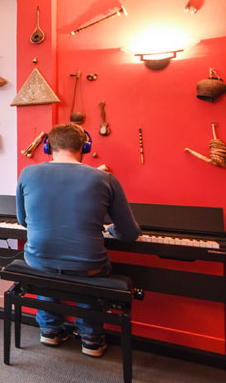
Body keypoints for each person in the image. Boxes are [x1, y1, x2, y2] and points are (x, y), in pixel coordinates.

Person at [16, 123, 140, 357]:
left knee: (45, 261)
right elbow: (130, 233)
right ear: (85, 146)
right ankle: (91, 338)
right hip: (88, 266)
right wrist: (111, 229)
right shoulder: (104, 178)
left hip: (39, 261)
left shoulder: (28, 173)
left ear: (47, 146)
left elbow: (23, 221)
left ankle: (50, 330)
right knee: (87, 264)